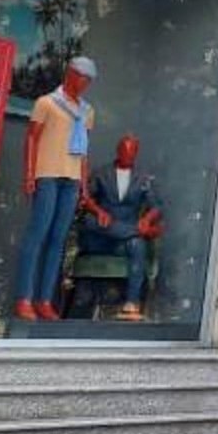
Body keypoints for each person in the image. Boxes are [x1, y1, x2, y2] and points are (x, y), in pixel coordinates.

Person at [12, 56, 97, 321]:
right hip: (47, 174)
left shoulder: (87, 111)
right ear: (69, 74)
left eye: (88, 80)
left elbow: (83, 152)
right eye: (81, 76)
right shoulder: (46, 103)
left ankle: (45, 299)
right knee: (37, 234)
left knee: (58, 239)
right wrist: (29, 174)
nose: (84, 83)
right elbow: (32, 138)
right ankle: (24, 297)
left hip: (71, 179)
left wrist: (84, 185)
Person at [78, 133, 163, 321]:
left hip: (122, 242)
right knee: (91, 222)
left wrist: (147, 219)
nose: (128, 155)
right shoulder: (102, 174)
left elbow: (157, 206)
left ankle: (131, 302)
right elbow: (85, 198)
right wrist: (98, 211)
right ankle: (134, 231)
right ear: (118, 151)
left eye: (132, 152)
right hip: (102, 236)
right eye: (125, 151)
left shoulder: (143, 178)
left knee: (137, 245)